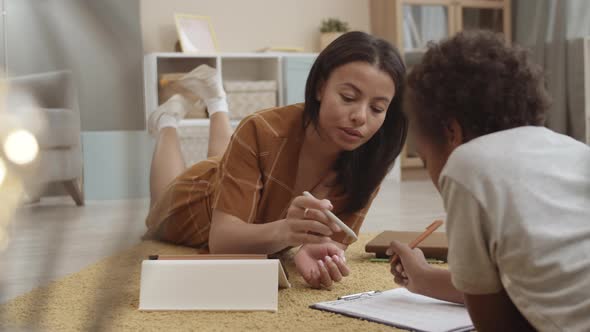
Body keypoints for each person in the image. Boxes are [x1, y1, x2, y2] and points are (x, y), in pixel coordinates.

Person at [145, 31, 408, 288]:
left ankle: (216, 102)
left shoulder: (371, 158)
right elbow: (223, 241)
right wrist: (286, 232)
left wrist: (311, 250)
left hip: (234, 171)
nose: (361, 117)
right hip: (197, 197)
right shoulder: (262, 130)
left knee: (225, 157)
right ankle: (166, 122)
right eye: (348, 98)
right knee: (160, 203)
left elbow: (333, 243)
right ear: (320, 87)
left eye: (377, 108)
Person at [387, 30, 590, 331]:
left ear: (451, 133)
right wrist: (426, 278)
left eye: (425, 159)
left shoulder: (466, 164)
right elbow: (532, 282)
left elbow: (494, 323)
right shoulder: (573, 149)